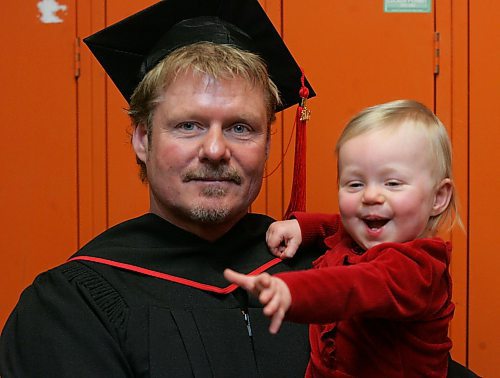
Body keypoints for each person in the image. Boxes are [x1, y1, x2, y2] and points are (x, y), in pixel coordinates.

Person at [0, 0, 318, 376]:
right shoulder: (70, 303)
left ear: (266, 145)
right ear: (142, 139)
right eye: (188, 125)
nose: (215, 150)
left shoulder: (323, 271)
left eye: (240, 128)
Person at [225, 100, 468, 377]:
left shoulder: (418, 268)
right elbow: (339, 225)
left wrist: (290, 290)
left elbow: (357, 285)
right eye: (355, 183)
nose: (370, 196)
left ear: (438, 198)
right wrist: (305, 228)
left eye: (392, 183)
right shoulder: (366, 235)